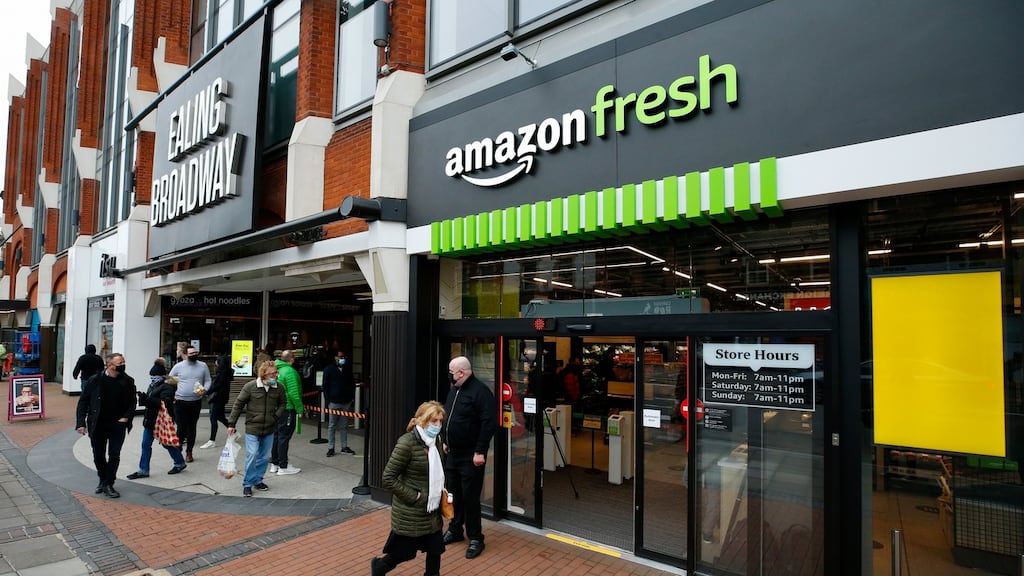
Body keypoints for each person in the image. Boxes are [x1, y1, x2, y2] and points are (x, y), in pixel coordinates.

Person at [372, 401, 447, 576]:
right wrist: (415, 496)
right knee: (402, 553)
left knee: (435, 549)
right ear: (422, 420)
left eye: (440, 421)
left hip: (432, 508)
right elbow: (388, 478)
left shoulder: (437, 442)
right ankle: (379, 567)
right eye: (433, 421)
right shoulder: (407, 443)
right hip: (411, 512)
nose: (438, 425)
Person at [442, 355, 497, 559]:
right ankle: (455, 530)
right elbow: (449, 417)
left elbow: (489, 423)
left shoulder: (480, 392)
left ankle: (475, 538)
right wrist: (446, 440)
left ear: (462, 372)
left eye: (451, 371)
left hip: (471, 456)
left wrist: (480, 451)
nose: (449, 375)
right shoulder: (454, 390)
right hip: (453, 453)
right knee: (453, 494)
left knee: (470, 497)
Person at [75, 353, 136, 498]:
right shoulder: (95, 380)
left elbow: (132, 402)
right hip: (98, 424)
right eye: (119, 363)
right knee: (98, 455)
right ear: (110, 366)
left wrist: (126, 417)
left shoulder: (128, 381)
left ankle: (109, 483)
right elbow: (83, 401)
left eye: (123, 362)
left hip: (117, 424)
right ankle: (102, 480)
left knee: (114, 454)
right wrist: (80, 423)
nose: (123, 365)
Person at [227, 360, 285, 497]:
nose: (275, 375)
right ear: (263, 374)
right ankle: (247, 483)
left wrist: (275, 417)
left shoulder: (279, 387)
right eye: (272, 373)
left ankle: (258, 480)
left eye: (276, 372)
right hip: (253, 427)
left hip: (269, 427)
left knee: (264, 457)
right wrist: (231, 424)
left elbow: (283, 403)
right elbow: (238, 404)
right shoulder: (251, 386)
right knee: (252, 455)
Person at [127, 369, 187, 479]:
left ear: (162, 376)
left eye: (155, 375)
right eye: (151, 375)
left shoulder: (168, 387)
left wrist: (148, 399)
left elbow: (165, 403)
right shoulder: (152, 385)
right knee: (146, 445)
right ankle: (143, 470)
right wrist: (144, 399)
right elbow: (151, 402)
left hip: (161, 421)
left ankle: (179, 463)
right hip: (150, 420)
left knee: (166, 443)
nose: (152, 377)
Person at [169, 346, 212, 462]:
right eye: (191, 353)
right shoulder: (179, 366)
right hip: (180, 401)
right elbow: (169, 379)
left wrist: (205, 389)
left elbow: (208, 380)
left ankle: (189, 451)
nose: (194, 354)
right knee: (181, 427)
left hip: (195, 401)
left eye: (195, 352)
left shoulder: (203, 366)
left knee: (192, 428)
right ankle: (178, 452)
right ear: (185, 354)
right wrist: (175, 388)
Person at [269, 350, 303, 475]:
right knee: (284, 437)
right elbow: (294, 394)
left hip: (276, 408)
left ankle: (275, 463)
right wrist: (300, 409)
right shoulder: (290, 372)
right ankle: (283, 466)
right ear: (292, 359)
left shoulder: (275, 370)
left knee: (277, 436)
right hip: (288, 408)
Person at [323, 349, 356, 457]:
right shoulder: (329, 369)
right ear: (335, 357)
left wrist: (351, 397)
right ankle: (331, 447)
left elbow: (352, 383)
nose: (342, 359)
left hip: (346, 401)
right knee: (332, 425)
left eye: (343, 357)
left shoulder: (347, 369)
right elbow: (325, 386)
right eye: (340, 357)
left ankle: (344, 446)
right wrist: (328, 400)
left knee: (344, 425)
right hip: (334, 401)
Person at [201, 349, 233, 449]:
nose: (216, 363)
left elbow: (216, 386)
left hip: (218, 398)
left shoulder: (222, 373)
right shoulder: (226, 372)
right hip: (221, 398)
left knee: (213, 417)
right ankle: (233, 431)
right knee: (220, 416)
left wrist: (206, 392)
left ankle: (212, 440)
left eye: (217, 361)